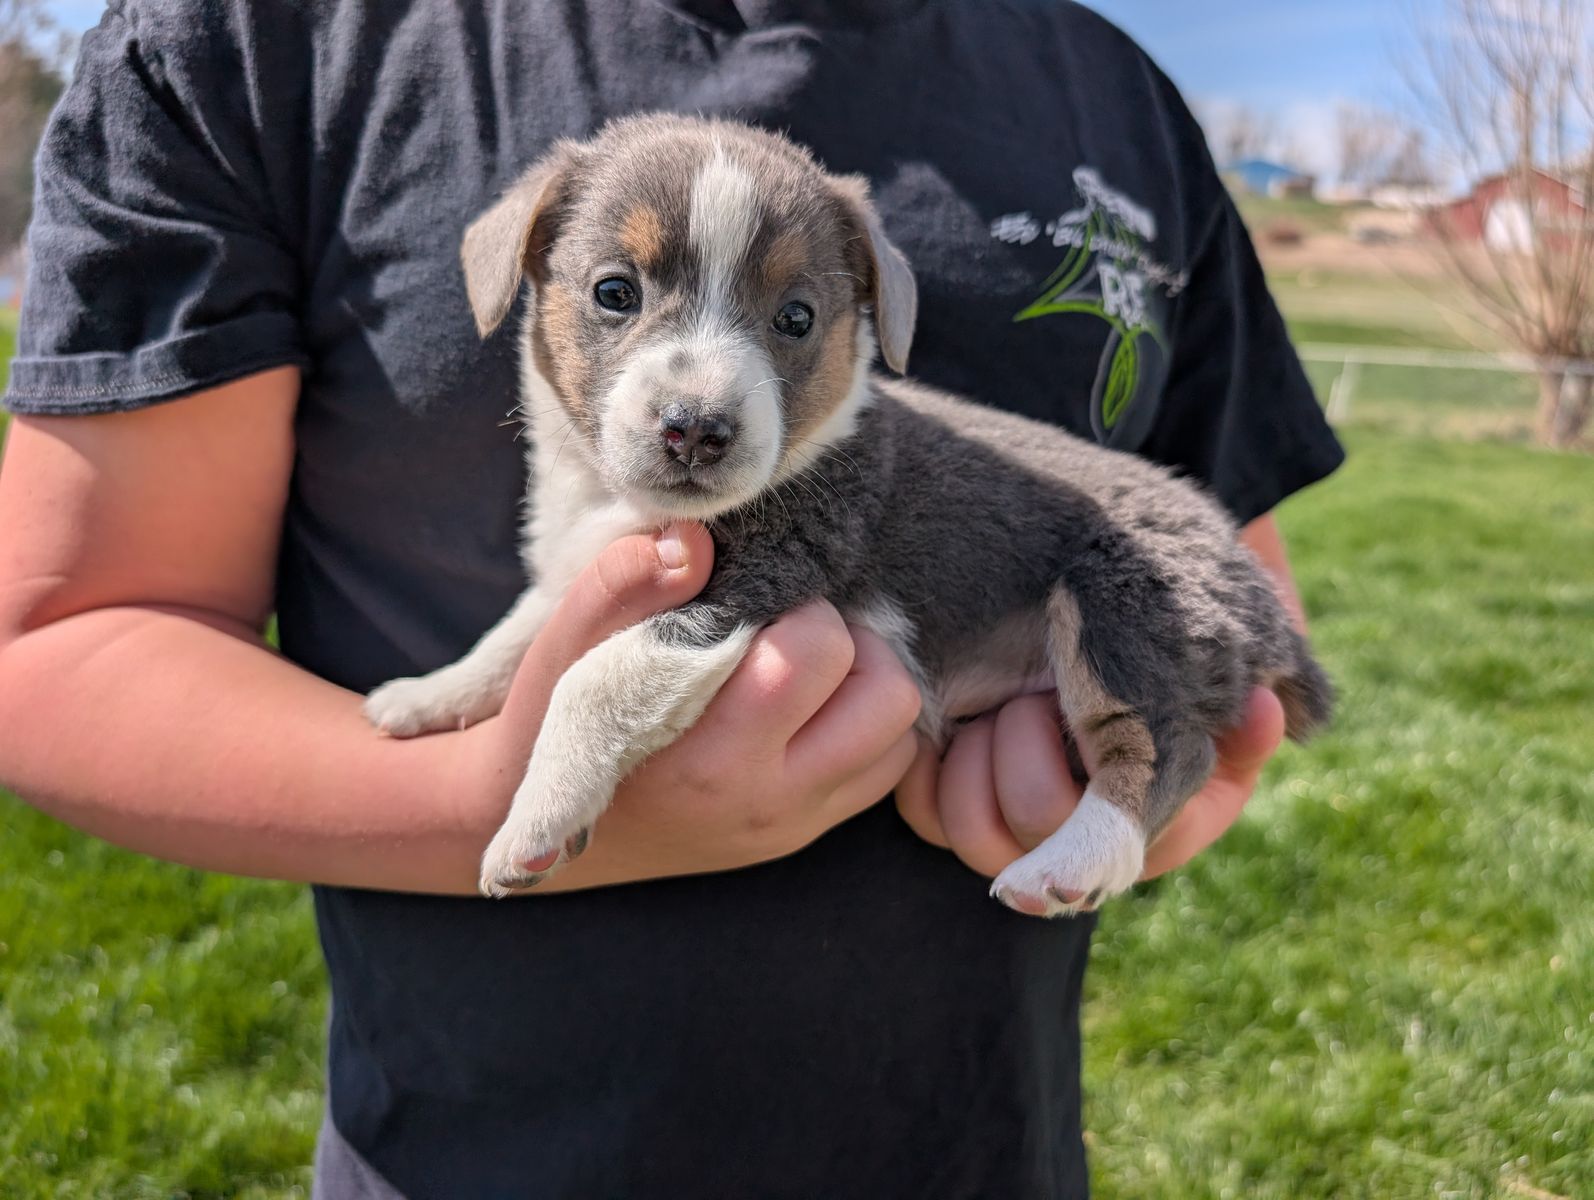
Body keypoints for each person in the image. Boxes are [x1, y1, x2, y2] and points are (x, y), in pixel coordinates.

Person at [0, 1, 1343, 1196]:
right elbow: (60, 640)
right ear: (526, 273)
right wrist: (474, 786)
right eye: (613, 293)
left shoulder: (1113, 92)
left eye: (793, 321)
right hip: (462, 1153)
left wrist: (1128, 803)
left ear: (867, 314)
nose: (699, 399)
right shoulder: (255, 43)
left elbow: (1229, 615)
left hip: (982, 1145)